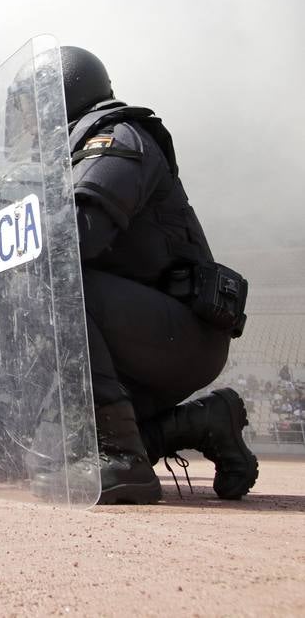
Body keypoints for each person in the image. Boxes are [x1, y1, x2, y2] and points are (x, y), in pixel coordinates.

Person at [33, 46, 257, 504]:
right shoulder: (64, 161)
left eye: (34, 104)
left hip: (181, 331)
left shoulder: (119, 135)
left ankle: (120, 456)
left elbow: (79, 235)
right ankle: (205, 421)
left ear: (61, 96)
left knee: (53, 281)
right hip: (137, 331)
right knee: (45, 458)